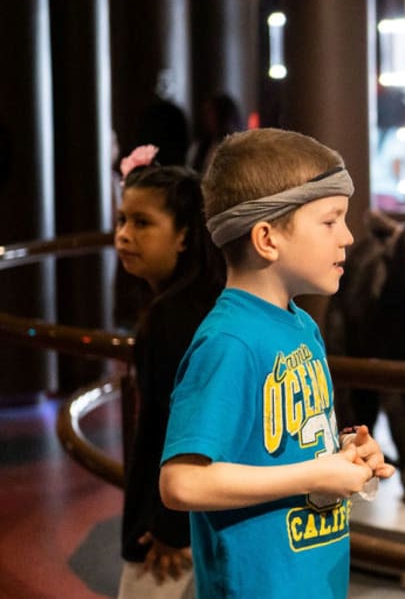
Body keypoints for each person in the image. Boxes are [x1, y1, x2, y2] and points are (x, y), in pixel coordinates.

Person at [159, 128, 394, 598]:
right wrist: (315, 475)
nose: (348, 237)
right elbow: (181, 482)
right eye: (330, 221)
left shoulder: (301, 325)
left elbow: (280, 443)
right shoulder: (230, 342)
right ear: (267, 238)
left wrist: (345, 453)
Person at [115, 146, 225, 598]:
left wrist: (168, 527)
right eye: (122, 220)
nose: (123, 235)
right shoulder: (198, 306)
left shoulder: (173, 319)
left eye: (142, 223)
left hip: (172, 528)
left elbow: (176, 427)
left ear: (185, 235)